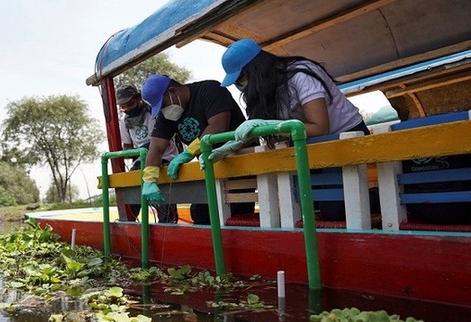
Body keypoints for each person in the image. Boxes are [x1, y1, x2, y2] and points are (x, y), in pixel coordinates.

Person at [217, 39, 372, 221]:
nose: (240, 86)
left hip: (343, 138)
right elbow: (257, 131)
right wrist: (230, 145)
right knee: (300, 203)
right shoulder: (268, 92)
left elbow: (320, 127)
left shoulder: (300, 74)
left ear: (256, 69)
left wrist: (273, 128)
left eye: (240, 79)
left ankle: (375, 198)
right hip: (309, 146)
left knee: (335, 211)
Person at [140, 74, 255, 225]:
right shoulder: (168, 115)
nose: (164, 111)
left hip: (238, 166)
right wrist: (149, 178)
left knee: (237, 218)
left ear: (173, 91)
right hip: (209, 169)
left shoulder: (209, 90)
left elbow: (218, 126)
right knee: (201, 216)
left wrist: (188, 153)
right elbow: (156, 147)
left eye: (163, 105)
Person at [116, 84, 178, 223]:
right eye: (123, 107)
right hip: (141, 161)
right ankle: (131, 226)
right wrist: (133, 152)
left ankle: (167, 225)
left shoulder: (154, 112)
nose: (126, 109)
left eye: (129, 104)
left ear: (138, 98)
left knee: (164, 201)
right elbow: (127, 148)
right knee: (130, 193)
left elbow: (163, 140)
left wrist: (146, 147)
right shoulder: (124, 122)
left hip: (164, 158)